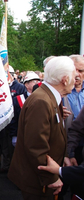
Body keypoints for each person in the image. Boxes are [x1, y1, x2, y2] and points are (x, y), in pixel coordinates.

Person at [8, 56, 78, 199]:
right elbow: (35, 146)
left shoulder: (49, 97)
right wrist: (51, 178)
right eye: (74, 75)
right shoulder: (42, 101)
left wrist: (63, 156)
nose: (76, 78)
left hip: (41, 179)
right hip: (39, 182)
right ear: (65, 79)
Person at [8, 72, 40, 147]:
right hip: (21, 135)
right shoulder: (18, 99)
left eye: (38, 81)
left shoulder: (41, 98)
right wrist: (14, 134)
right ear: (26, 84)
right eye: (34, 81)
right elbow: (13, 119)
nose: (37, 83)